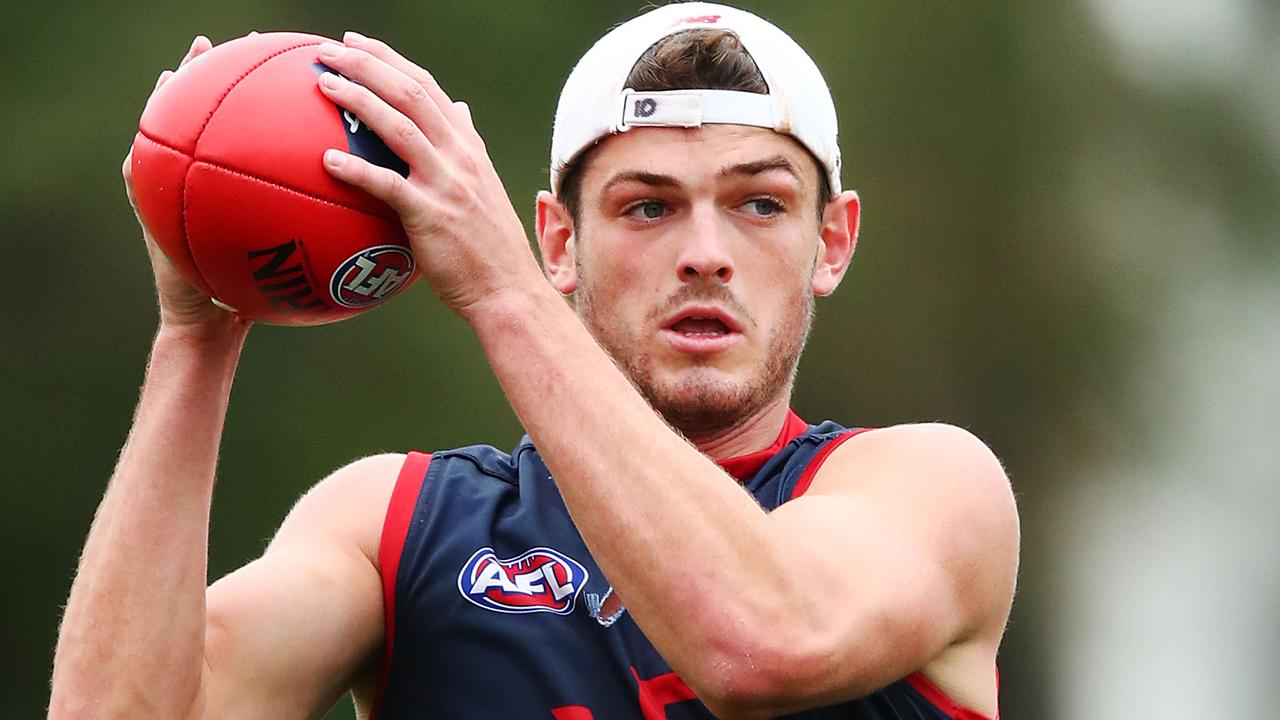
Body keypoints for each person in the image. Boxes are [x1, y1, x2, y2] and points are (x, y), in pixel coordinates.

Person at [50, 3, 1019, 719]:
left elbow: (757, 642)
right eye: (646, 205)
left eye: (758, 203)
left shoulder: (933, 491)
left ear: (831, 242)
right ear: (558, 240)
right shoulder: (399, 526)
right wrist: (197, 335)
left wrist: (502, 292)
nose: (705, 252)